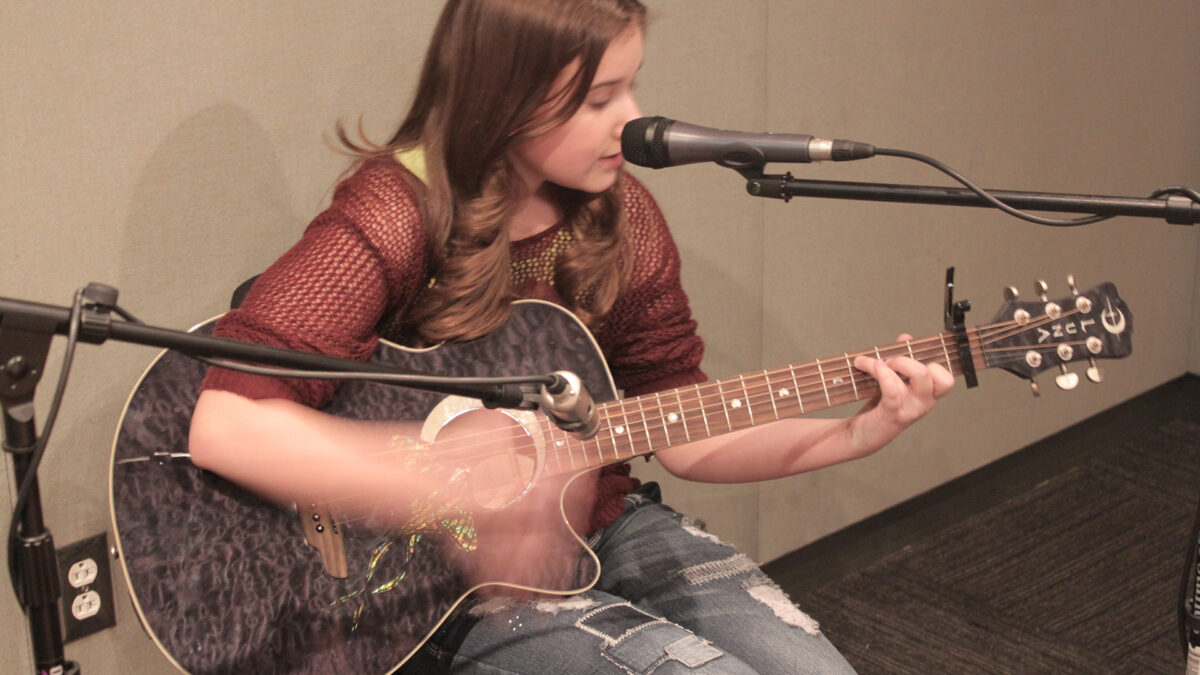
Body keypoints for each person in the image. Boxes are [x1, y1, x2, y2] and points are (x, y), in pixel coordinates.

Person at [188, 0, 954, 672]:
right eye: (597, 98)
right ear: (502, 95)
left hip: (602, 525)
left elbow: (684, 429)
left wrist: (857, 431)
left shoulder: (622, 217)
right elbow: (226, 426)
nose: (631, 119)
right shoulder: (397, 208)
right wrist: (464, 486)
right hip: (426, 584)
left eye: (631, 85)